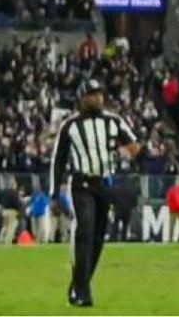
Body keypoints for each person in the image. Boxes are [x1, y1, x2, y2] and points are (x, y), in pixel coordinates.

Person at [50, 79, 140, 307]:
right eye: (92, 94)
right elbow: (58, 160)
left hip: (104, 184)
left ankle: (79, 284)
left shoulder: (113, 121)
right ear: (82, 98)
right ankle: (82, 291)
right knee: (86, 229)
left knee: (99, 235)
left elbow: (134, 146)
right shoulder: (70, 125)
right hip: (81, 183)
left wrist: (122, 152)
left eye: (100, 94)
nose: (98, 98)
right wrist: (54, 192)